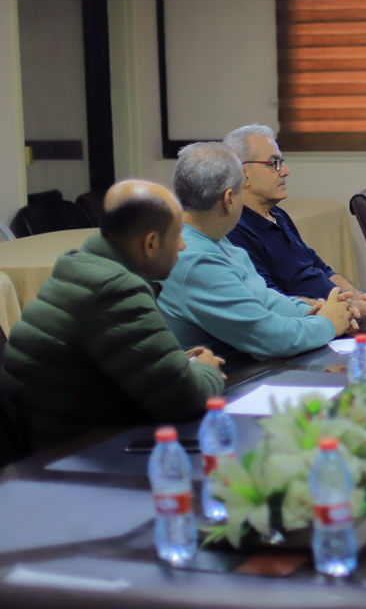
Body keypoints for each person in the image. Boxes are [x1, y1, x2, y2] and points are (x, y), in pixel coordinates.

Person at [0, 180, 226, 452]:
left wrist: (178, 365)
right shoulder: (116, 290)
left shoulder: (81, 263)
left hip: (52, 432)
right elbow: (183, 400)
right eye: (177, 235)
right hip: (78, 451)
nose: (182, 246)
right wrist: (207, 369)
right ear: (151, 243)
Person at [157, 142, 354, 362]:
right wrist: (327, 323)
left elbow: (263, 298)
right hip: (232, 376)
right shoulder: (194, 259)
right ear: (229, 199)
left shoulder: (213, 237)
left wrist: (313, 311)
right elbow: (269, 338)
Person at [222, 124, 366, 316]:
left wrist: (358, 297)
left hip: (339, 311)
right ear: (244, 174)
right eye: (274, 163)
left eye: (282, 161)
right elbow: (272, 301)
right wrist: (347, 309)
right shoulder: (234, 230)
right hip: (311, 322)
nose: (285, 171)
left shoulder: (278, 215)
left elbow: (320, 268)